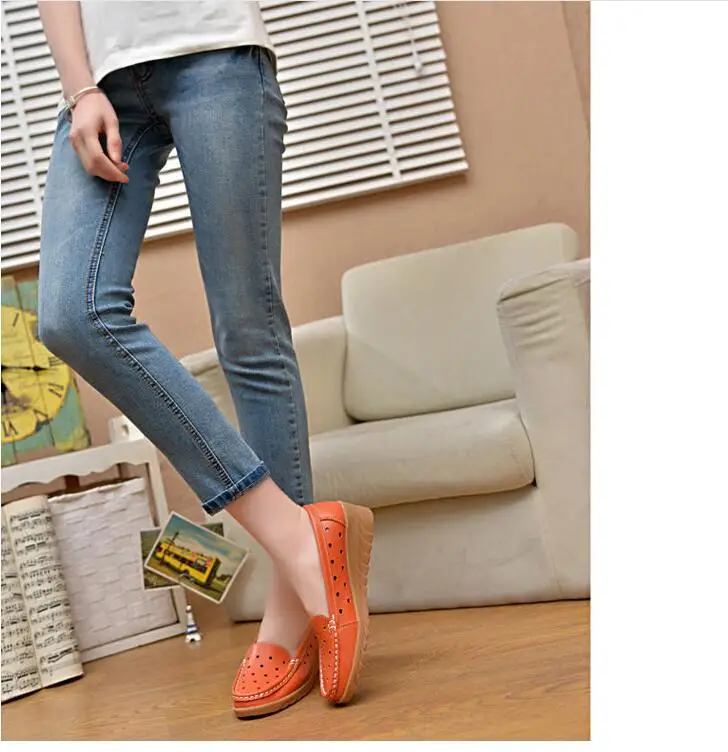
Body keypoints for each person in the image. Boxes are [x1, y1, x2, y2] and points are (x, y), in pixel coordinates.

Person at [37, 0, 374, 718]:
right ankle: (301, 542)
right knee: (71, 314)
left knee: (249, 331)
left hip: (217, 51)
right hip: (103, 81)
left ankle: (291, 608)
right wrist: (79, 88)